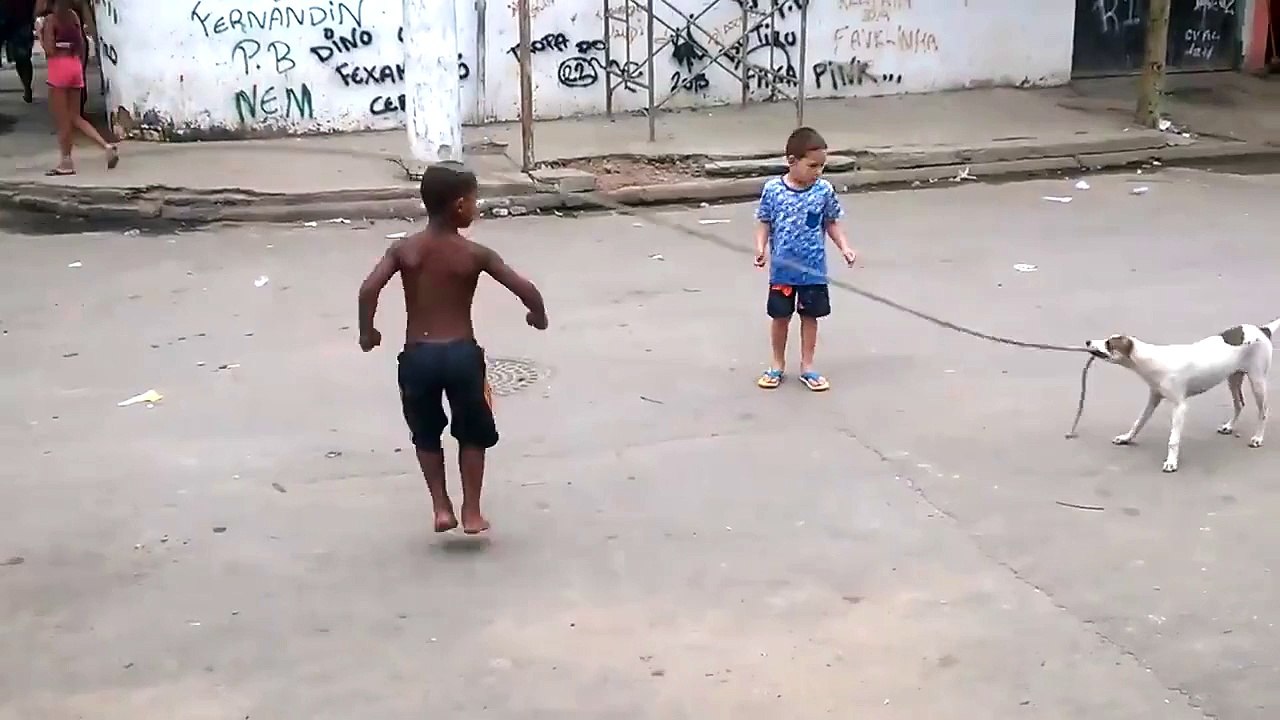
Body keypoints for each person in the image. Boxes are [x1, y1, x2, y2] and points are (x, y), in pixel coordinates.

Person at [357, 162, 548, 535]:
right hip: (462, 356)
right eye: (474, 200)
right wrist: (537, 316)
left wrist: (368, 332)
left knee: (425, 433)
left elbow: (368, 289)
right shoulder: (476, 254)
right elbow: (526, 289)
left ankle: (441, 507)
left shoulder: (405, 250)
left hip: (418, 359)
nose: (476, 207)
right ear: (459, 205)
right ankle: (472, 512)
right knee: (473, 432)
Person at [753, 126, 856, 392]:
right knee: (780, 317)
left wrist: (844, 247)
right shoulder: (773, 190)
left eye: (822, 166)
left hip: (813, 270)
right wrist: (760, 248)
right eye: (812, 166)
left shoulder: (823, 191)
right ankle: (777, 364)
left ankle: (808, 366)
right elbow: (764, 221)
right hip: (783, 271)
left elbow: (831, 222)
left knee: (810, 317)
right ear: (791, 161)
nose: (818, 172)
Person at [39, 0, 115, 175]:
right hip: (74, 66)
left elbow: (50, 50)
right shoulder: (73, 16)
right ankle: (106, 146)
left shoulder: (51, 20)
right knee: (75, 116)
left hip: (59, 69)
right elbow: (81, 44)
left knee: (63, 120)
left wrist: (41, 34)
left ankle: (66, 162)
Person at [0, 0, 35, 103]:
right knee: (22, 57)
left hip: (20, 17)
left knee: (22, 57)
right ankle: (27, 88)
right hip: (21, 17)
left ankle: (27, 88)